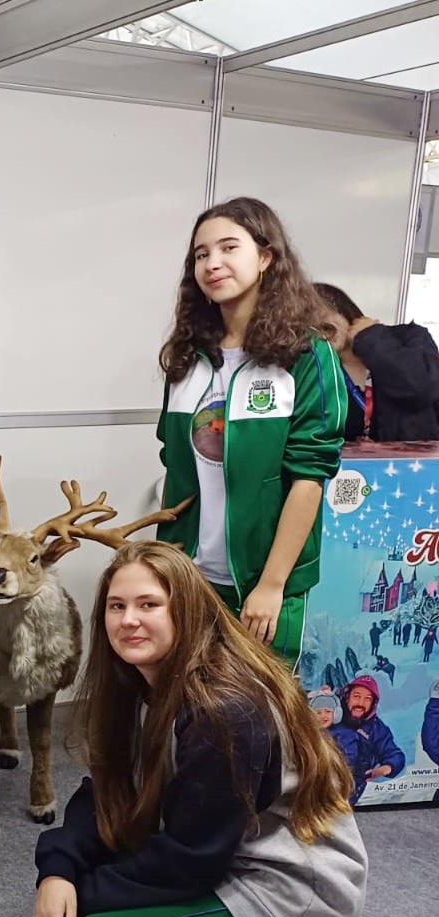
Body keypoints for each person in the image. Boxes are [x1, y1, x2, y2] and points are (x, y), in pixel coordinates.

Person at [35, 541, 367, 917]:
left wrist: (85, 895)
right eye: (117, 607)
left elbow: (192, 859)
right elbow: (107, 788)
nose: (129, 620)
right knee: (87, 889)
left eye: (149, 604)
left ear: (185, 609)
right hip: (232, 853)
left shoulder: (222, 709)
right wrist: (59, 869)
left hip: (294, 889)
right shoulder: (146, 683)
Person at [156, 197, 346, 667]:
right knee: (190, 709)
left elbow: (309, 478)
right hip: (190, 576)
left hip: (262, 584)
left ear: (265, 258)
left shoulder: (307, 355)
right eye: (201, 254)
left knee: (259, 719)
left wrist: (273, 584)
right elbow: (173, 466)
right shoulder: (187, 358)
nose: (212, 263)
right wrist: (167, 561)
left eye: (228, 248)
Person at [315, 281, 439, 442]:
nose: (317, 326)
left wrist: (370, 338)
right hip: (350, 466)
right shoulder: (319, 366)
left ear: (341, 309)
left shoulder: (408, 337)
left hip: (411, 464)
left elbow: (421, 387)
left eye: (320, 314)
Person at [338, 674, 404, 802]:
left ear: (373, 704)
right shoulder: (333, 714)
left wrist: (383, 770)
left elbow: (396, 755)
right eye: (356, 696)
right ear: (347, 697)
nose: (361, 703)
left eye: (367, 699)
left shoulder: (377, 729)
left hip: (351, 788)